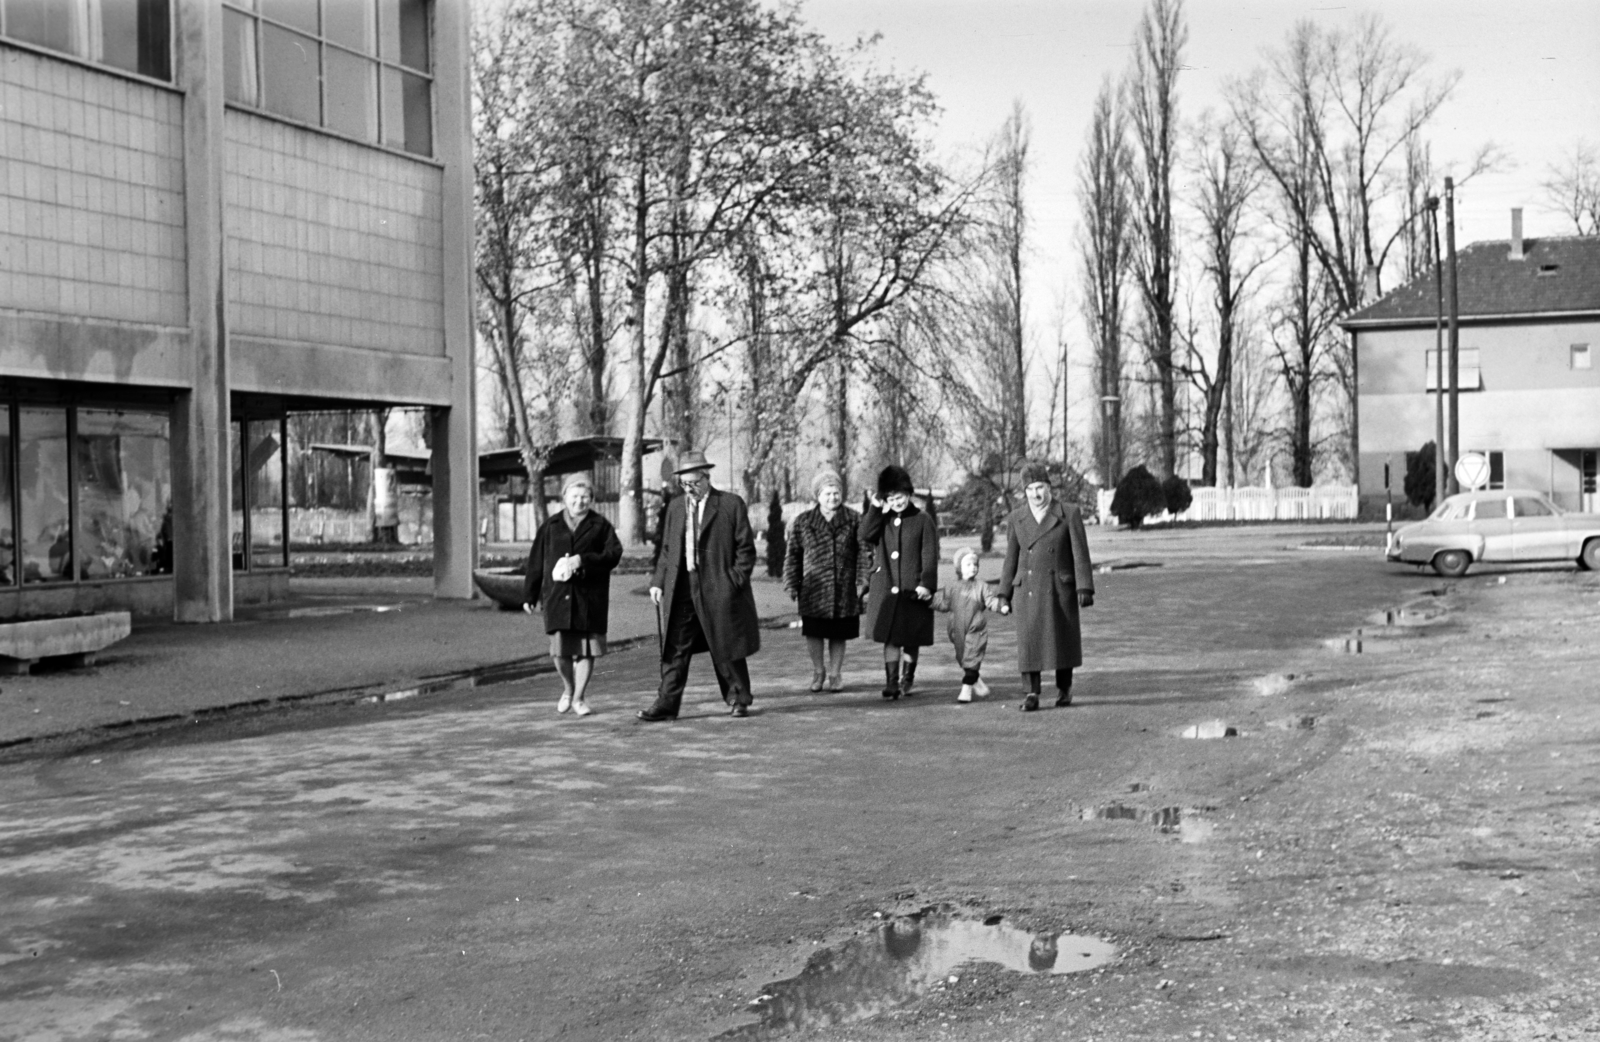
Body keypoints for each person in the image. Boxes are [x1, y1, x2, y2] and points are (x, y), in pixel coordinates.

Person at [638, 450, 762, 721]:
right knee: (675, 648)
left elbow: (746, 550)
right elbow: (668, 549)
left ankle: (739, 698)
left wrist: (733, 582)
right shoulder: (675, 507)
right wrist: (658, 582)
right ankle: (667, 704)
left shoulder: (730, 504)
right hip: (682, 588)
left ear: (706, 478)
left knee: (725, 644)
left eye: (694, 482)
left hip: (719, 587)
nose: (689, 489)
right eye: (684, 484)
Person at [995, 461, 1095, 712]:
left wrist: (1084, 586)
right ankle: (1031, 693)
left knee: (1062, 640)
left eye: (1040, 487)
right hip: (1026, 588)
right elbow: (1011, 558)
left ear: (1049, 487)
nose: (1036, 494)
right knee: (1029, 642)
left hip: (1059, 588)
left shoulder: (1068, 512)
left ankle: (1064, 689)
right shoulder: (1016, 518)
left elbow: (1080, 553)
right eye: (1030, 489)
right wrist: (1003, 593)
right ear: (1024, 491)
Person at [523, 473, 624, 717]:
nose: (579, 501)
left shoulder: (601, 525)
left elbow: (614, 554)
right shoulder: (551, 525)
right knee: (560, 651)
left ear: (591, 499)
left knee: (587, 650)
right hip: (558, 597)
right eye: (574, 496)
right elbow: (536, 560)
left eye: (585, 497)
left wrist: (584, 560)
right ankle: (568, 689)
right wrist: (530, 594)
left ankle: (579, 698)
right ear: (565, 497)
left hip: (589, 598)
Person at [783, 469, 871, 692]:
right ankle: (818, 670)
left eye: (836, 492)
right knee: (814, 631)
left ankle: (835, 673)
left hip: (844, 587)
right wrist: (792, 583)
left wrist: (862, 581)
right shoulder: (803, 521)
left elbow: (863, 553)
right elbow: (792, 555)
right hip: (814, 588)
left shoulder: (854, 519)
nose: (833, 497)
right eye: (827, 493)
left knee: (838, 633)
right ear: (817, 496)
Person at [860, 464, 938, 700]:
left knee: (911, 637)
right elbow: (864, 535)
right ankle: (891, 682)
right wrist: (875, 507)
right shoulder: (881, 520)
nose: (897, 502)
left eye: (900, 496)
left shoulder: (923, 519)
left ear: (909, 494)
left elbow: (929, 554)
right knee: (891, 637)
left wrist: (926, 583)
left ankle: (907, 678)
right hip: (886, 589)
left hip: (913, 589)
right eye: (891, 498)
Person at [931, 546, 1003, 704]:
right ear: (959, 568)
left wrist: (1000, 606)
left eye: (975, 564)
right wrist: (929, 600)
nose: (973, 567)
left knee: (972, 657)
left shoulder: (981, 586)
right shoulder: (952, 587)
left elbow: (990, 600)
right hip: (957, 630)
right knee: (964, 659)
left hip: (976, 629)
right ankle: (976, 680)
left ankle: (966, 690)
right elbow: (944, 604)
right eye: (968, 564)